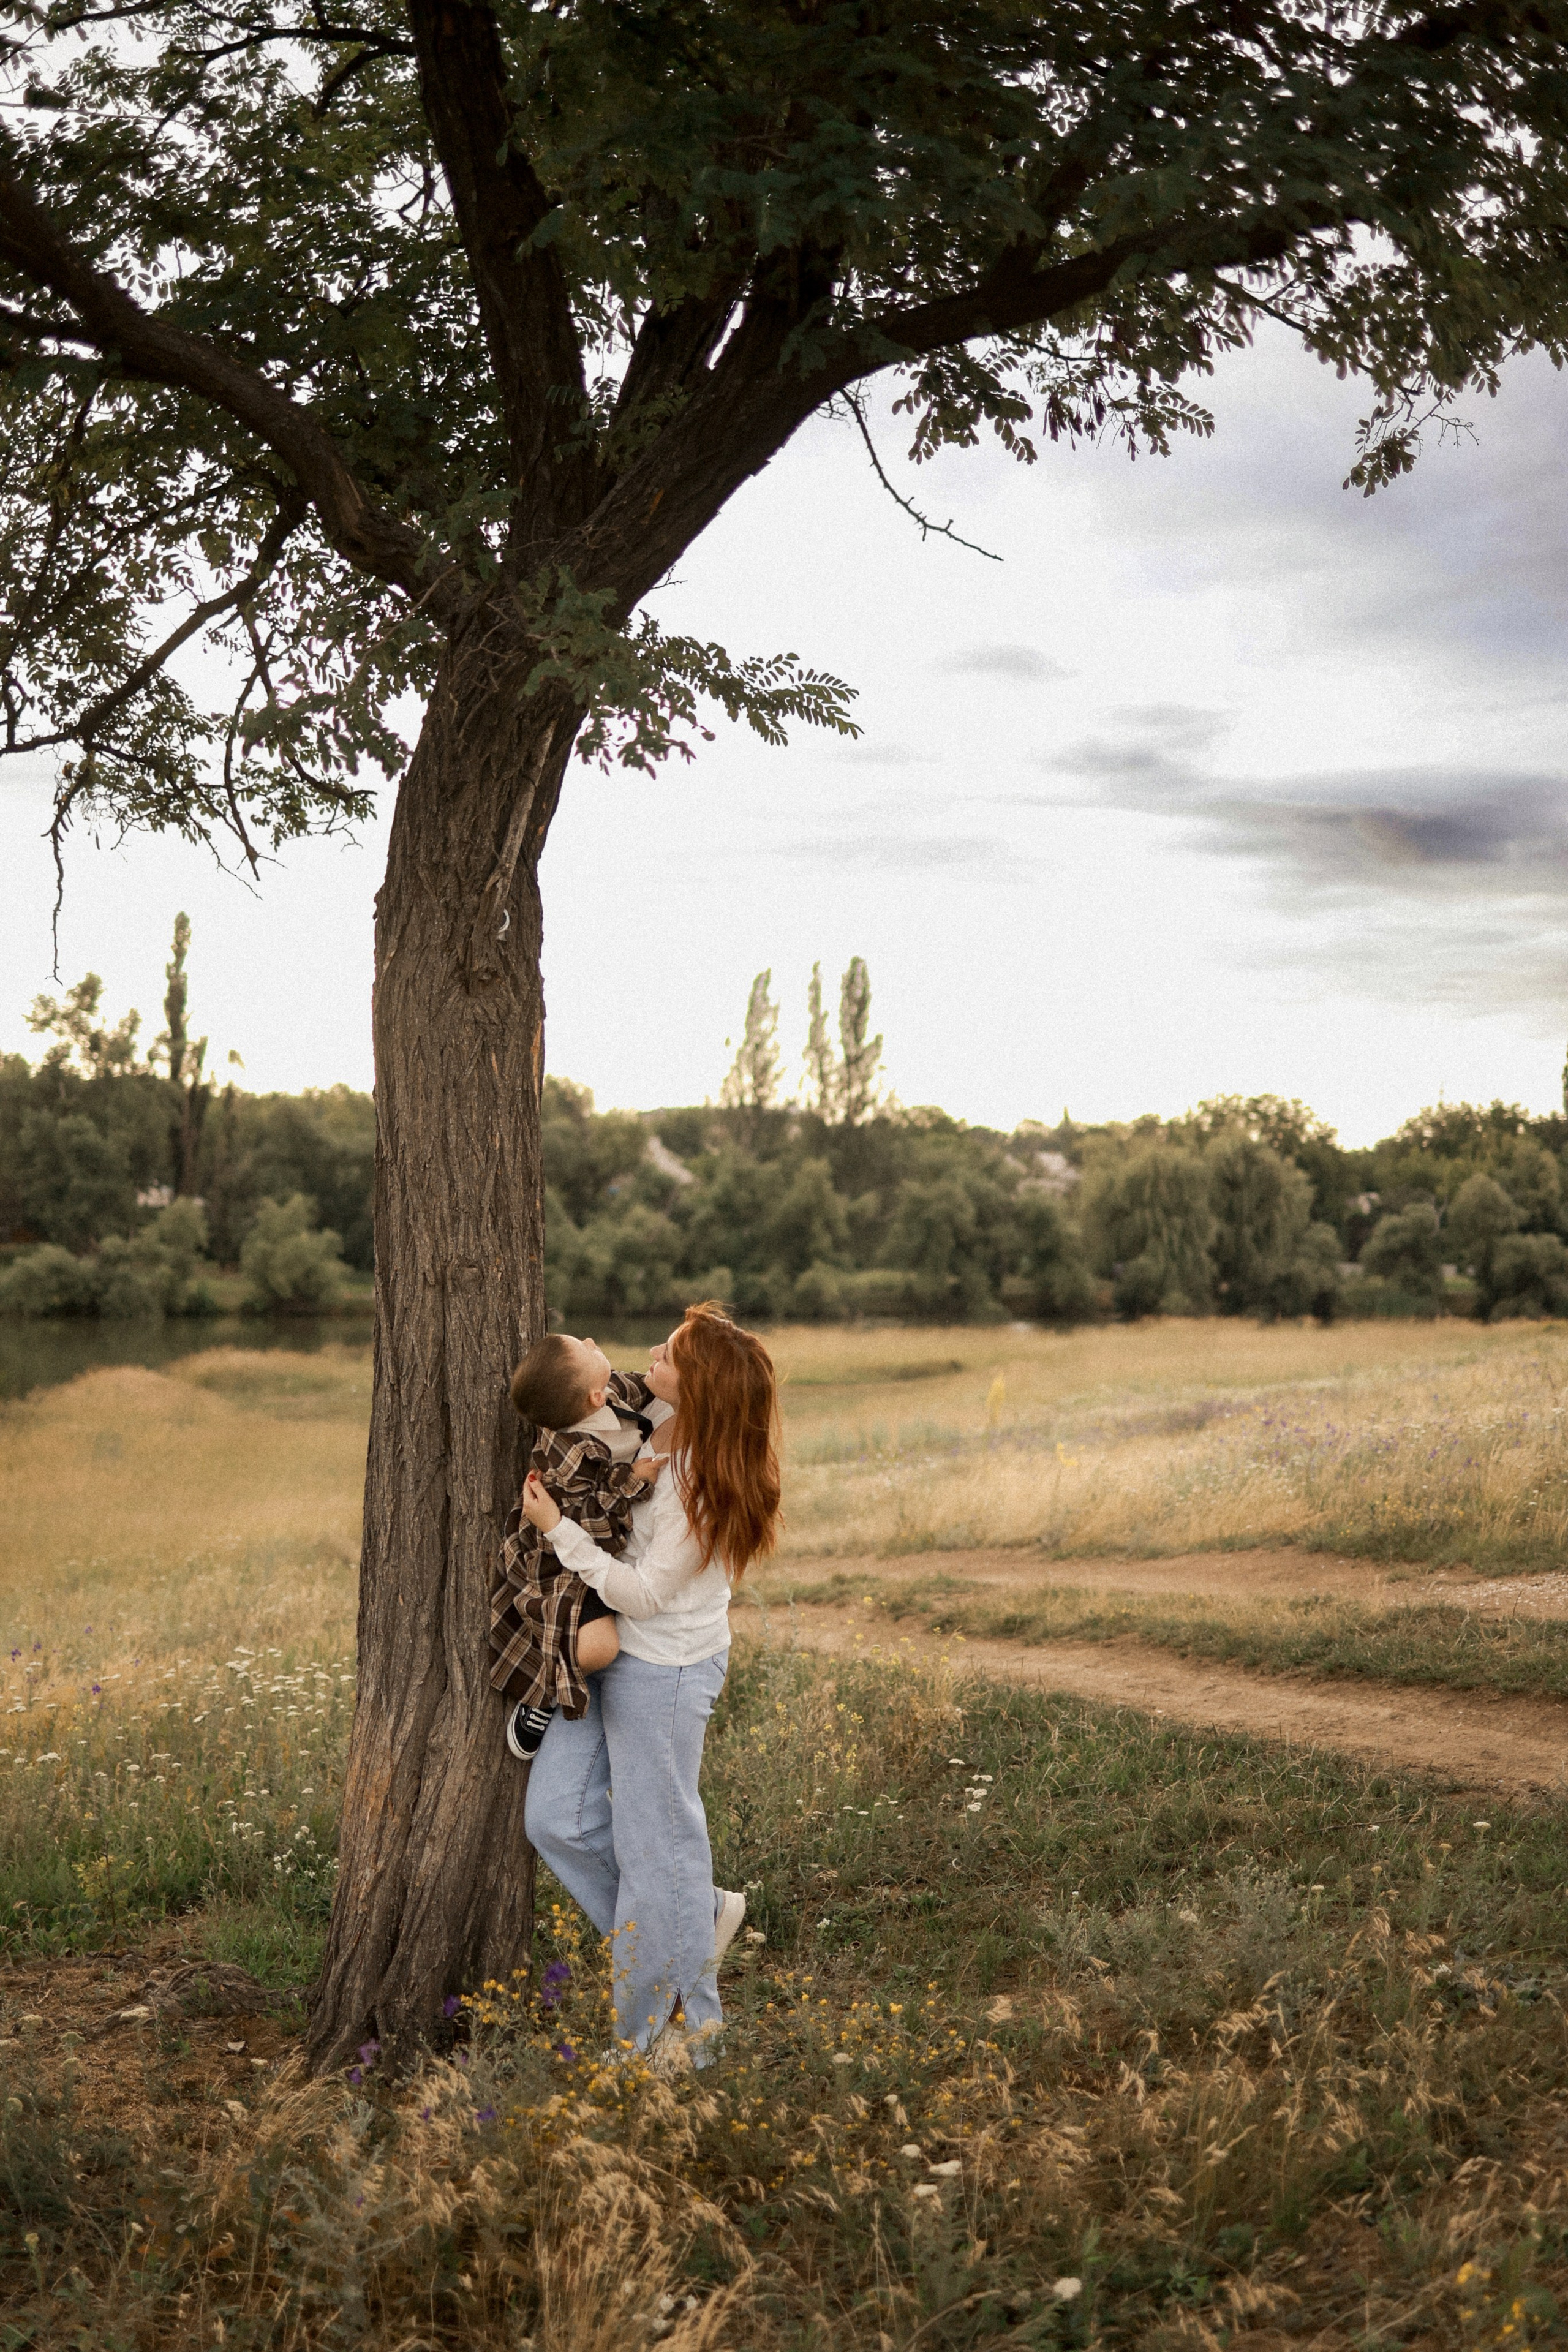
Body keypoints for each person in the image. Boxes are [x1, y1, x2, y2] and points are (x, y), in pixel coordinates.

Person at [522, 1301, 782, 2064]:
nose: (650, 1359)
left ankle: (665, 2043)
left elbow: (641, 1595)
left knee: (654, 1855)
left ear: (697, 1386)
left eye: (667, 1355)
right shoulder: (658, 1411)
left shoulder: (705, 1485)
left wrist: (558, 1532)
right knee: (556, 1820)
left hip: (664, 1668)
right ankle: (695, 1914)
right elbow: (596, 1389)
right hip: (607, 1652)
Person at [489, 1332, 666, 1760]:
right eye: (586, 1350)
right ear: (593, 1397)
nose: (591, 1340)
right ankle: (543, 1690)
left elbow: (649, 1385)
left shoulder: (611, 1391)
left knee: (612, 1627)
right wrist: (633, 1481)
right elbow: (592, 1523)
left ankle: (557, 1669)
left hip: (590, 1552)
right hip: (560, 1558)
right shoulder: (569, 1455)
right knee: (600, 1648)